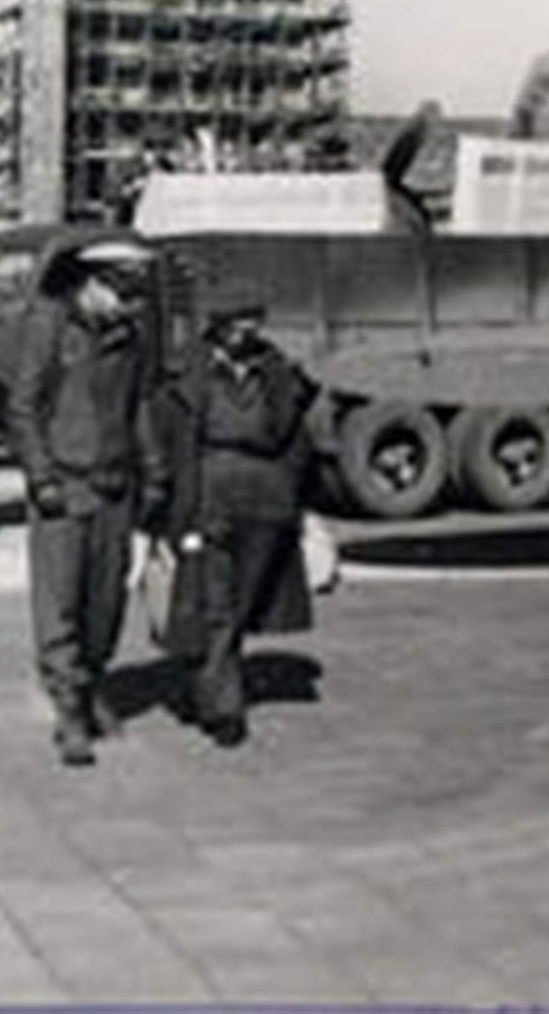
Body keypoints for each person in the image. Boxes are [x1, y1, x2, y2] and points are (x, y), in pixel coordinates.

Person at [152, 276, 317, 747]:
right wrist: (165, 509)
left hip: (266, 503)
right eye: (240, 322)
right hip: (207, 500)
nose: (249, 331)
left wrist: (297, 496)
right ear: (219, 325)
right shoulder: (188, 371)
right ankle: (225, 709)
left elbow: (295, 437)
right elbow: (165, 440)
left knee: (241, 606)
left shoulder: (276, 369)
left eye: (255, 321)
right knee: (217, 606)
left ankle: (206, 682)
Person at [8, 241, 154, 767]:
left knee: (105, 607)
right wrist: (40, 477)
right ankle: (69, 709)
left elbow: (138, 406)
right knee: (60, 604)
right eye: (119, 292)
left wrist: (152, 476)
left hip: (115, 487)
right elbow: (23, 408)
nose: (126, 305)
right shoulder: (48, 326)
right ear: (90, 283)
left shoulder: (129, 335)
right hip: (63, 492)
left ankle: (92, 683)